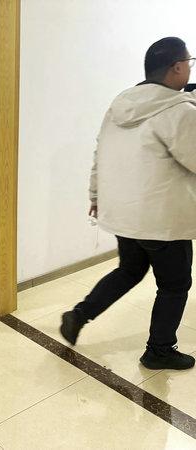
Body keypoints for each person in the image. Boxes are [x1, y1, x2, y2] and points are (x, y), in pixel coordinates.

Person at [60, 37, 196, 370]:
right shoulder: (178, 111)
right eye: (189, 62)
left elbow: (100, 154)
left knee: (130, 270)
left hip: (123, 213)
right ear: (177, 67)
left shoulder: (119, 106)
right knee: (175, 285)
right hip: (162, 220)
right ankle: (159, 350)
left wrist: (95, 196)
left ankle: (79, 315)